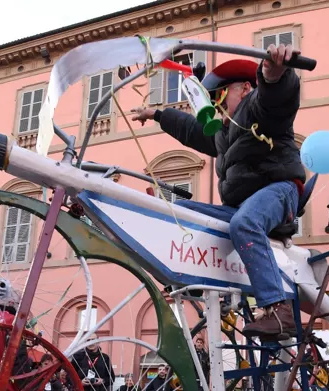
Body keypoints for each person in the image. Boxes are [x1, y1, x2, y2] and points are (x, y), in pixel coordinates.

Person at [131, 44, 306, 339]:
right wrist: (157, 114)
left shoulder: (257, 108)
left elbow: (278, 97)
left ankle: (279, 310)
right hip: (241, 206)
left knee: (246, 222)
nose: (217, 106)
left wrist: (275, 74)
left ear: (246, 88)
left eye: (221, 96)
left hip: (279, 191)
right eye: (212, 101)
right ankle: (192, 276)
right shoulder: (224, 134)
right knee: (179, 212)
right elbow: (192, 129)